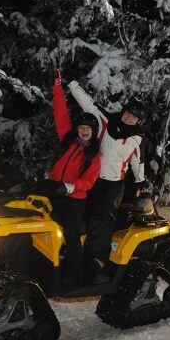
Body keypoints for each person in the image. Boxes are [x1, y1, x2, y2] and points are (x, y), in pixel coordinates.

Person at [67, 79, 147, 282]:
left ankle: (97, 263)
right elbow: (88, 104)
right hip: (92, 178)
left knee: (103, 220)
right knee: (82, 214)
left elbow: (138, 161)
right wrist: (73, 86)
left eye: (134, 117)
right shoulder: (105, 121)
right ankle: (73, 257)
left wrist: (140, 181)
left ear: (139, 121)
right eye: (127, 113)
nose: (128, 118)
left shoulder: (138, 139)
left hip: (113, 184)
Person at [49, 70, 102, 287]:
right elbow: (60, 112)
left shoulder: (94, 155)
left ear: (93, 131)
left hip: (74, 199)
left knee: (71, 236)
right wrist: (56, 86)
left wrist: (70, 187)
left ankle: (74, 276)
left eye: (88, 128)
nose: (84, 131)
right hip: (53, 190)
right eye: (81, 127)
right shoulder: (68, 140)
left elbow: (88, 183)